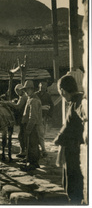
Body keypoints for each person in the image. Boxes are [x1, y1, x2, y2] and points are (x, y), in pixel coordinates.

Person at [53, 75, 84, 204]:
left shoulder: (77, 104)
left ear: (63, 90)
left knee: (73, 182)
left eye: (62, 93)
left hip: (74, 150)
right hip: (74, 147)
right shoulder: (78, 101)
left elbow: (69, 126)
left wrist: (58, 139)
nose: (63, 97)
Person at [21, 80, 42, 171]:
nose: (26, 92)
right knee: (31, 144)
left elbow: (33, 117)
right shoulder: (30, 99)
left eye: (27, 90)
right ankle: (31, 160)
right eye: (25, 90)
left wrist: (28, 129)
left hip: (33, 126)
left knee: (32, 145)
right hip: (31, 125)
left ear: (32, 89)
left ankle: (33, 163)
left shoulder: (34, 100)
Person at [5, 84, 28, 158]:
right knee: (22, 135)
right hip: (24, 117)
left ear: (21, 90)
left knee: (22, 135)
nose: (17, 93)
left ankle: (24, 151)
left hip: (24, 118)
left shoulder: (23, 97)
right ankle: (24, 151)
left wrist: (9, 103)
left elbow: (18, 107)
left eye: (18, 91)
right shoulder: (22, 96)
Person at [36, 81, 54, 157]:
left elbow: (52, 105)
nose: (42, 87)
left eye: (44, 86)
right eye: (41, 86)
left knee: (42, 133)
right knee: (38, 133)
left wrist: (50, 115)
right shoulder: (35, 95)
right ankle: (42, 150)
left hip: (44, 116)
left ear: (46, 88)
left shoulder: (47, 95)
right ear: (39, 86)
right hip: (36, 116)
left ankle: (41, 148)